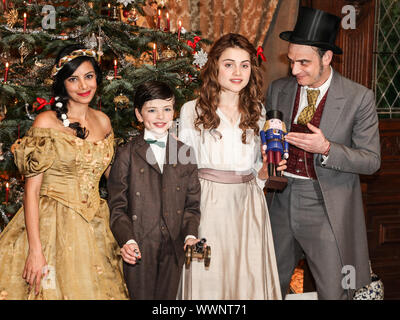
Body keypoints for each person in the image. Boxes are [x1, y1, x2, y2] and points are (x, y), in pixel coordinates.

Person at [265, 7, 381, 299]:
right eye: (291, 61)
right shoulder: (278, 89)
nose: (294, 70)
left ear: (326, 57)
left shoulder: (359, 98)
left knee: (334, 290)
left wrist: (327, 148)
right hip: (279, 201)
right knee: (268, 286)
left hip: (326, 205)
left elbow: (371, 161)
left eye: (303, 62)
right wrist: (266, 153)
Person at [0, 44, 128, 299]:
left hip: (96, 226)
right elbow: (31, 192)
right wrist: (35, 251)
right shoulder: (46, 122)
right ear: (63, 84)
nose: (83, 86)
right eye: (73, 79)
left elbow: (115, 182)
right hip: (51, 225)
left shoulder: (103, 121)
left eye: (89, 76)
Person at [178, 33, 285, 300]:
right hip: (206, 207)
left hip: (248, 206)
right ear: (214, 66)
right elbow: (177, 169)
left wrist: (266, 172)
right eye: (229, 64)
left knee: (247, 280)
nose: (238, 72)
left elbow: (258, 169)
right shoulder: (190, 111)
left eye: (245, 65)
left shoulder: (259, 112)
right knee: (206, 277)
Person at [107, 80, 201, 300]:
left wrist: (190, 235)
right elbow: (117, 205)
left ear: (174, 113)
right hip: (139, 245)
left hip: (174, 245)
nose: (160, 116)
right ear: (139, 115)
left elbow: (192, 205)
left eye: (166, 109)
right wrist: (127, 240)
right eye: (152, 110)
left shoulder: (185, 153)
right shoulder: (126, 153)